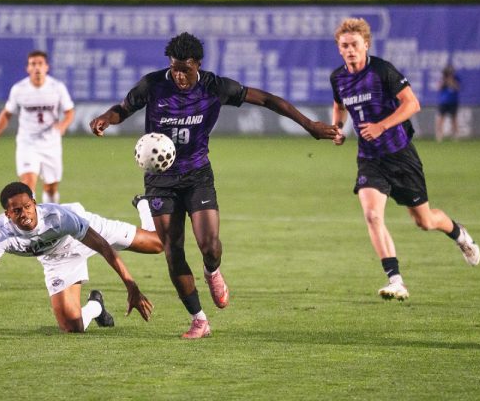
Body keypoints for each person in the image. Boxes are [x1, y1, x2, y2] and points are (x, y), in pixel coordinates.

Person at [89, 32, 339, 338]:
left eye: (186, 69)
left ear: (198, 65)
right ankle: (199, 319)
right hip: (160, 181)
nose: (179, 75)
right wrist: (105, 117)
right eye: (175, 68)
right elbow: (123, 109)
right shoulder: (153, 85)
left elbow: (268, 99)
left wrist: (309, 125)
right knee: (172, 249)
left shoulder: (215, 87)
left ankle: (212, 270)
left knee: (209, 245)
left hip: (197, 175)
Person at [329, 18, 480, 302]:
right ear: (339, 49)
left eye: (355, 45)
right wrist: (337, 129)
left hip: (400, 155)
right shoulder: (338, 78)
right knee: (373, 215)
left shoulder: (382, 70)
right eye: (344, 46)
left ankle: (460, 234)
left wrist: (381, 126)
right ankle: (396, 280)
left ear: (366, 45)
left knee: (424, 221)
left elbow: (412, 103)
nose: (350, 50)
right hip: (370, 158)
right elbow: (339, 106)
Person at [0, 182, 157, 336]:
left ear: (35, 204)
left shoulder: (59, 217)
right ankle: (96, 306)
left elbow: (104, 247)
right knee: (71, 327)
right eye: (16, 211)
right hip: (56, 257)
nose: (24, 213)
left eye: (27, 207)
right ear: (7, 214)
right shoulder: (0, 232)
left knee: (158, 244)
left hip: (86, 231)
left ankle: (145, 204)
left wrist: (131, 285)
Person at [0, 50, 75, 203]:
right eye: (33, 64)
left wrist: (63, 125)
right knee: (28, 183)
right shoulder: (19, 89)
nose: (37, 67)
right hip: (27, 143)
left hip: (51, 143)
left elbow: (70, 111)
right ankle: (33, 223)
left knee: (51, 187)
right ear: (28, 68)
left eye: (40, 64)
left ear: (47, 67)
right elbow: (7, 114)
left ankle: (51, 216)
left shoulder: (57, 88)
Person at [435, 65, 461, 142]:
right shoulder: (442, 79)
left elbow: (458, 88)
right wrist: (444, 82)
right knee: (440, 119)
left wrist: (451, 82)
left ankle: (455, 135)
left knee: (454, 119)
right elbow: (438, 88)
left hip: (453, 101)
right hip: (443, 102)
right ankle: (439, 135)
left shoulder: (456, 79)